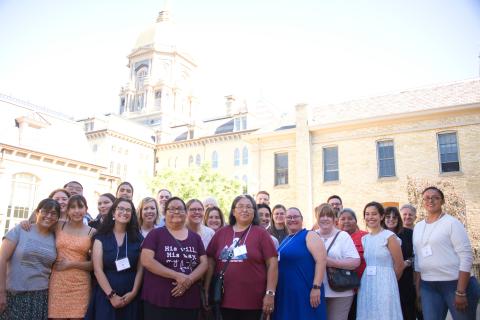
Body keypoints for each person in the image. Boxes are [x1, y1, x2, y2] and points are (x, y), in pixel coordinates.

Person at [205, 194, 278, 320]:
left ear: (254, 212)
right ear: (233, 211)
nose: (245, 210)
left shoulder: (261, 234)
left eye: (249, 207)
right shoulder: (221, 233)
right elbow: (210, 262)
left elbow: (272, 264)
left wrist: (270, 293)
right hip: (223, 300)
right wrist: (206, 289)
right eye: (241, 207)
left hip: (253, 301)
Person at [413, 186, 479, 320]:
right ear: (423, 201)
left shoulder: (452, 223)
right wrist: (418, 290)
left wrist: (460, 291)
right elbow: (418, 260)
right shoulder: (418, 227)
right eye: (426, 198)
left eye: (435, 198)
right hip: (428, 286)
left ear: (442, 201)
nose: (430, 200)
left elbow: (466, 256)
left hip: (454, 284)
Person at [141, 197, 208, 320]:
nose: (176, 212)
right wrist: (177, 276)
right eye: (171, 209)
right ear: (164, 213)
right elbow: (147, 261)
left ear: (186, 213)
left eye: (180, 209)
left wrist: (189, 280)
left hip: (188, 301)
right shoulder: (155, 234)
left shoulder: (195, 238)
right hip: (158, 300)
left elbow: (204, 263)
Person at [0, 199, 60, 320]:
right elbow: (2, 259)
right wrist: (1, 292)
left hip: (39, 297)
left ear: (58, 218)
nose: (49, 216)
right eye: (45, 211)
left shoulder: (56, 238)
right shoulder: (21, 230)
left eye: (54, 213)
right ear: (37, 212)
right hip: (13, 294)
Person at [86, 198, 144, 319]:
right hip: (106, 293)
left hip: (130, 294)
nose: (124, 212)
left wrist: (133, 293)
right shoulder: (100, 237)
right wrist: (111, 296)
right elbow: (97, 270)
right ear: (113, 213)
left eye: (128, 210)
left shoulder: (138, 238)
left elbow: (140, 269)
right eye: (121, 209)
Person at [272, 207, 327, 320]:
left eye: (295, 216)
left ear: (302, 219)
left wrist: (316, 287)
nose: (292, 219)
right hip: (287, 293)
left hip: (305, 291)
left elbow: (321, 261)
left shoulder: (309, 235)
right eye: (289, 217)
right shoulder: (286, 239)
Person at [48, 195, 95, 319]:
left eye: (80, 207)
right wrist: (24, 223)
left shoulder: (92, 232)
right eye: (72, 207)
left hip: (80, 284)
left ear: (86, 209)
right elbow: (39, 222)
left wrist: (71, 264)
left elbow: (94, 264)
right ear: (67, 210)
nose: (76, 211)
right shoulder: (58, 225)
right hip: (58, 281)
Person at [356, 201, 404, 320]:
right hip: (367, 282)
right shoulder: (365, 239)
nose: (370, 217)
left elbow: (399, 265)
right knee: (368, 312)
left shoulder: (389, 237)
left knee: (385, 313)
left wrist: (389, 281)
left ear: (381, 216)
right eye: (367, 214)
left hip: (386, 282)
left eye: (374, 214)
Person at [316, 204, 360, 320]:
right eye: (321, 215)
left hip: (341, 292)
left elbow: (355, 262)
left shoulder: (342, 236)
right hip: (316, 292)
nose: (325, 218)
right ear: (317, 218)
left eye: (329, 216)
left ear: (334, 219)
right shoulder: (312, 235)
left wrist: (331, 262)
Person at [384, 206, 415, 320]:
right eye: (388, 216)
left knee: (406, 311)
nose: (391, 219)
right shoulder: (378, 234)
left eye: (394, 217)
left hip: (405, 279)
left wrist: (407, 262)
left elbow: (416, 255)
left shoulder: (408, 233)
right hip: (385, 279)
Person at [337, 208, 368, 320]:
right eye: (343, 219)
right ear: (337, 222)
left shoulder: (366, 237)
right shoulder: (335, 238)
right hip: (340, 286)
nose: (346, 221)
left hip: (363, 286)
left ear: (356, 221)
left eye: (350, 218)